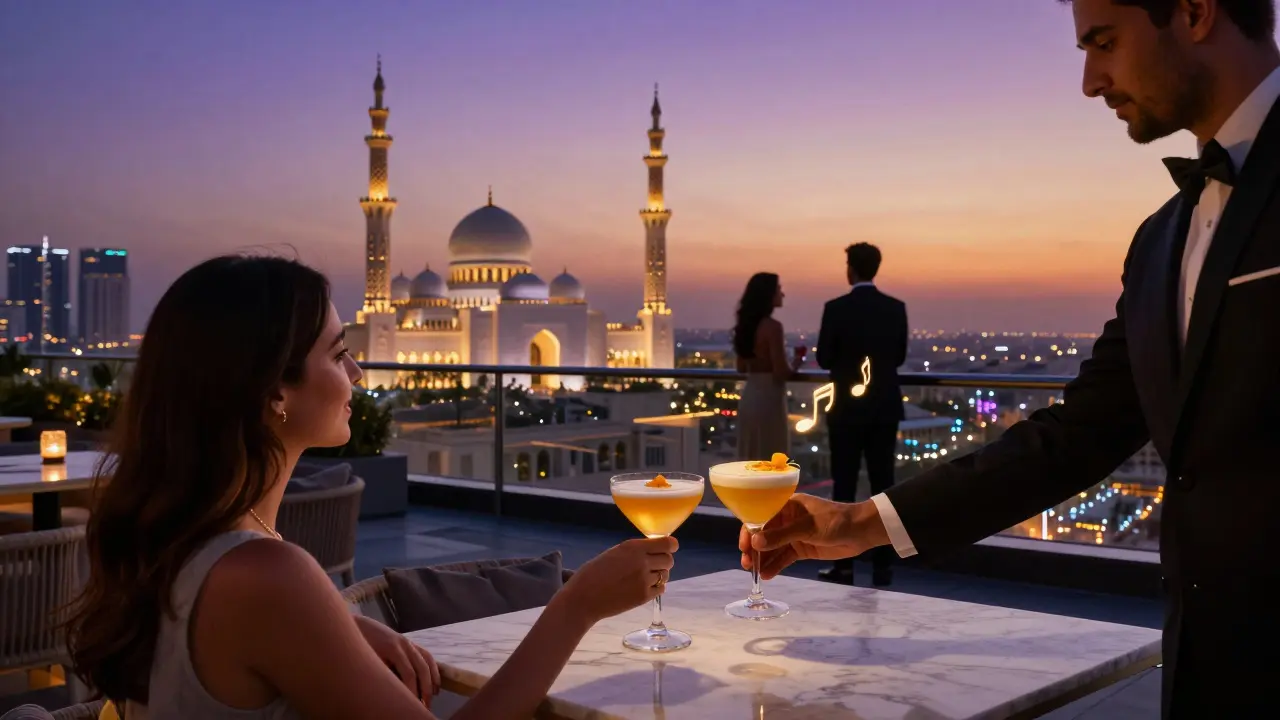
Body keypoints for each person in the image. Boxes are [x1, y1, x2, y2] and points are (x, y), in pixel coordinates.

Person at [740, 0, 1280, 716]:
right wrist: (859, 522)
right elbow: (1074, 437)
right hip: (1206, 665)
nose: (1090, 81)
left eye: (1104, 42)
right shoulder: (1160, 240)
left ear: (1194, 11)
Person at [64, 255, 678, 720]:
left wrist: (337, 629)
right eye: (338, 355)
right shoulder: (265, 575)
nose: (358, 373)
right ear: (274, 391)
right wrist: (575, 606)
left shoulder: (184, 538)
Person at [814, 243, 907, 587]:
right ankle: (884, 566)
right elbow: (899, 357)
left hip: (847, 410)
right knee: (884, 487)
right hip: (883, 408)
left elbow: (824, 358)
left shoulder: (836, 308)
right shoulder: (895, 308)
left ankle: (843, 565)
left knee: (844, 487)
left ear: (850, 269)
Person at [733, 273, 802, 460]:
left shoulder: (745, 327)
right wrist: (796, 363)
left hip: (749, 397)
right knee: (770, 454)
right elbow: (780, 372)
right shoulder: (773, 327)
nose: (783, 294)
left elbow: (741, 367)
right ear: (768, 295)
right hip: (769, 400)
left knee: (750, 453)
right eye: (779, 290)